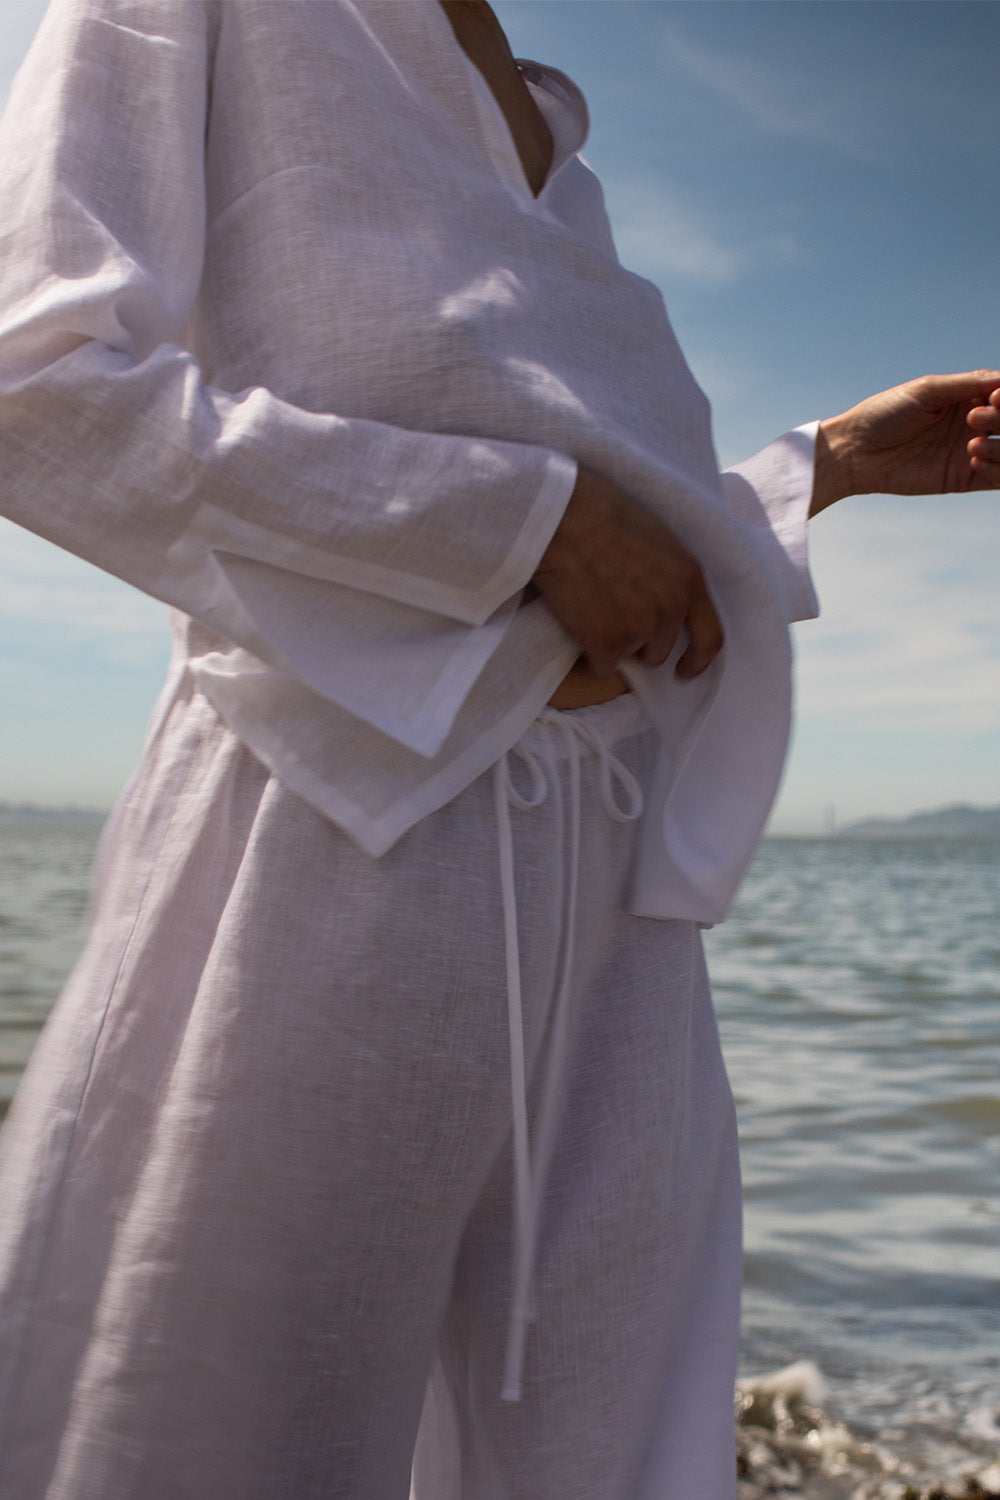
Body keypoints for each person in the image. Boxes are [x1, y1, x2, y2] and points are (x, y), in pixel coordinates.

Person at [0, 2, 996, 1497]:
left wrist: (823, 467)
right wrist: (514, 527)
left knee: (621, 1458)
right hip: (339, 841)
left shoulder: (551, 128)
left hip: (623, 907)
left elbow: (608, 524)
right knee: (211, 1449)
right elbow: (39, 387)